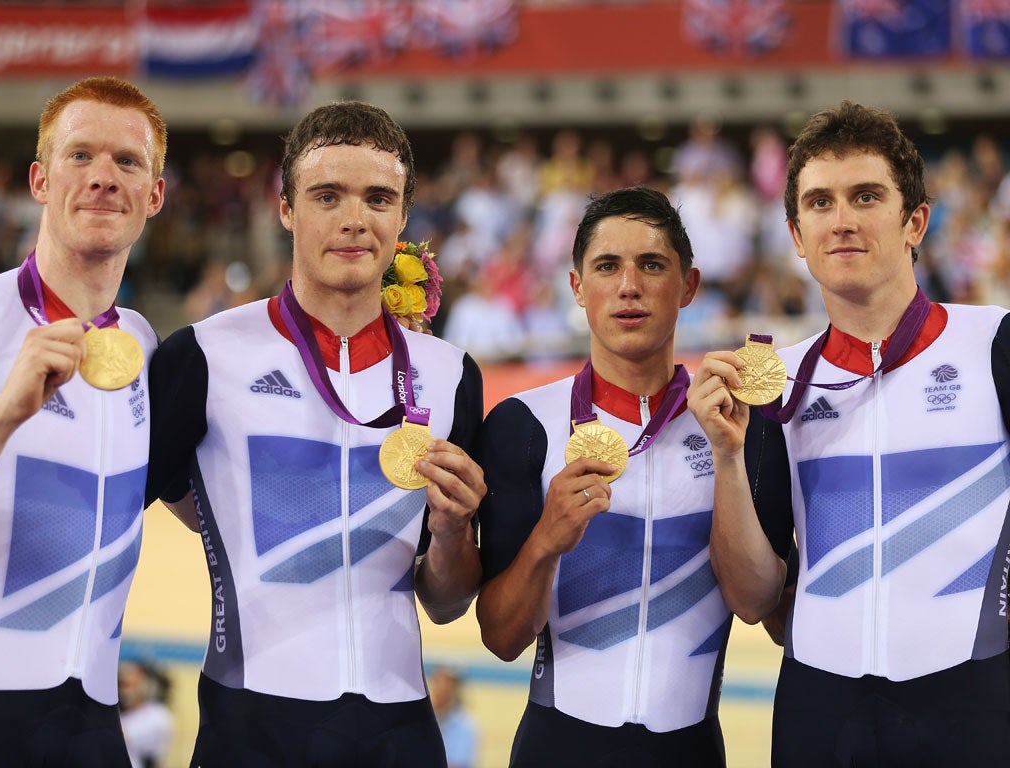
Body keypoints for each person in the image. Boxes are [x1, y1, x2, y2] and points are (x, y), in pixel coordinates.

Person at [146, 100, 487, 767]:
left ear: (403, 217)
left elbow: (446, 603)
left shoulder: (451, 376)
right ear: (285, 209)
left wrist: (449, 533)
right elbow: (171, 498)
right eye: (327, 195)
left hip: (400, 730)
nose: (354, 219)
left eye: (378, 198)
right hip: (250, 724)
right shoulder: (204, 354)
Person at [687, 101, 1010, 766]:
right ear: (797, 235)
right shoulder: (775, 383)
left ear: (915, 220)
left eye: (866, 196)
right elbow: (752, 599)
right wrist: (726, 455)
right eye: (820, 202)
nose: (843, 220)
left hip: (978, 708)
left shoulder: (995, 344)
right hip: (821, 718)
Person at [475, 186, 730, 766]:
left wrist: (733, 458)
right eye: (607, 266)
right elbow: (501, 637)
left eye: (652, 265)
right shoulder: (523, 425)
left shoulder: (730, 426)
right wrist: (546, 539)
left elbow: (762, 604)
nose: (629, 286)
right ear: (576, 287)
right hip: (558, 747)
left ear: (688, 286)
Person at [0, 76, 168, 766]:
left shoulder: (148, 349)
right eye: (79, 155)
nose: (102, 177)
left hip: (89, 724)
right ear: (39, 179)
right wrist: (2, 415)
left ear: (153, 196)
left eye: (127, 161)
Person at [118, 660, 174, 768]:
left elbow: (115, 736)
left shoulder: (158, 716)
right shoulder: (122, 715)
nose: (125, 691)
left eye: (132, 684)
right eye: (123, 684)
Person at [428, 667, 479, 768]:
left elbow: (456, 763)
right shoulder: (427, 719)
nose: (441, 688)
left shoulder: (465, 724)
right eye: (438, 682)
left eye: (447, 683)